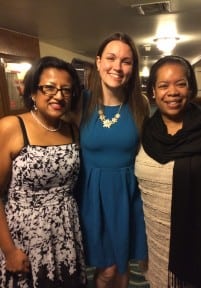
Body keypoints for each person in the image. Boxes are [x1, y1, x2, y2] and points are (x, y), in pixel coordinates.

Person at [0, 56, 87, 288]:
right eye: (49, 87)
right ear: (32, 91)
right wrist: (9, 250)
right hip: (25, 238)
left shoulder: (72, 130)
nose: (58, 95)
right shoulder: (11, 126)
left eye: (66, 90)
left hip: (67, 233)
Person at [135, 55, 201, 287]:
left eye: (180, 83)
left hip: (198, 243)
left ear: (190, 88)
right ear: (152, 91)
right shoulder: (147, 131)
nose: (173, 91)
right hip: (155, 240)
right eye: (163, 85)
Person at [78, 32, 149, 288]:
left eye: (126, 61)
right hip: (91, 197)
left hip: (127, 198)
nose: (117, 67)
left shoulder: (140, 105)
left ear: (133, 68)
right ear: (98, 62)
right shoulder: (81, 103)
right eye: (111, 58)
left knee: (122, 268)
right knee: (106, 270)